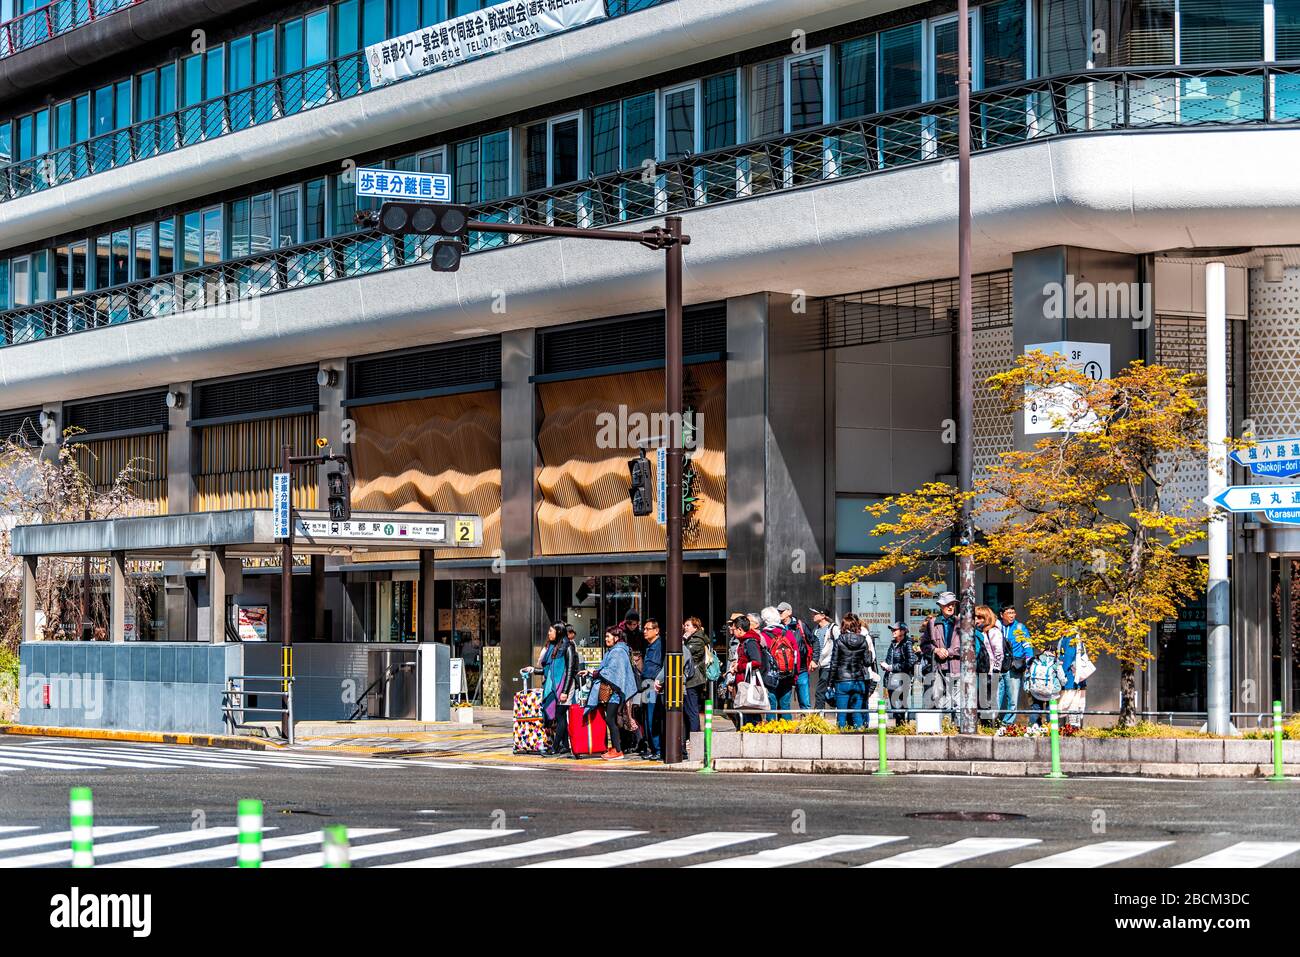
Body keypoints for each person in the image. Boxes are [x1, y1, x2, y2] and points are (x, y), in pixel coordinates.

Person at [584, 627, 640, 759]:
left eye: (608, 636)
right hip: (614, 691)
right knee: (615, 719)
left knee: (611, 719)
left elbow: (612, 672)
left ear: (616, 638)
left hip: (615, 692)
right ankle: (617, 747)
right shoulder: (616, 650)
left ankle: (618, 750)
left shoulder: (618, 652)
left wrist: (595, 673)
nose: (606, 639)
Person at [531, 621, 579, 756]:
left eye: (551, 631)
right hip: (554, 686)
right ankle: (565, 746)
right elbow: (549, 670)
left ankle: (556, 747)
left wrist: (564, 691)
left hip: (566, 686)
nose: (548, 633)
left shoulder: (568, 646)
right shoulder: (554, 647)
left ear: (558, 632)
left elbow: (570, 670)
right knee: (559, 716)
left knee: (559, 715)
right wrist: (533, 670)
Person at [919, 591, 961, 717]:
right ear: (941, 606)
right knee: (938, 697)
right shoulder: (932, 623)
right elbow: (924, 644)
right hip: (938, 667)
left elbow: (968, 647)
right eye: (947, 604)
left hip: (956, 666)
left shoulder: (960, 623)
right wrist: (936, 650)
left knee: (957, 700)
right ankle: (943, 727)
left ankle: (957, 729)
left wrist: (950, 652)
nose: (950, 607)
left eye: (953, 604)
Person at [828, 613, 873, 729]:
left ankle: (841, 739)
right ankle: (859, 737)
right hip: (858, 681)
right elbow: (868, 662)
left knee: (842, 714)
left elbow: (834, 663)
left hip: (842, 681)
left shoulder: (839, 641)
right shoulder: (863, 640)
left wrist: (830, 683)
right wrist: (869, 652)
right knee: (857, 713)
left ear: (844, 626)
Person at [759, 606, 798, 720]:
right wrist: (795, 675)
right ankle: (787, 730)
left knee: (771, 704)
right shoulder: (788, 633)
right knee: (785, 704)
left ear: (765, 621)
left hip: (770, 676)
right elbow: (796, 655)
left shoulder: (763, 635)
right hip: (788, 674)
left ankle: (772, 730)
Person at [778, 601, 817, 712]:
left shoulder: (800, 626)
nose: (779, 613)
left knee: (804, 701)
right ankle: (784, 726)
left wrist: (815, 659)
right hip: (784, 671)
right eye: (778, 611)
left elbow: (815, 641)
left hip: (801, 669)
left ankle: (807, 724)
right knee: (784, 702)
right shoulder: (777, 627)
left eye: (782, 611)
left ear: (789, 612)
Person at [732, 614, 768, 727]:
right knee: (747, 715)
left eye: (734, 629)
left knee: (750, 717)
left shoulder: (750, 642)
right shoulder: (744, 641)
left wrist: (739, 667)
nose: (732, 632)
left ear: (740, 629)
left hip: (748, 685)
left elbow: (757, 662)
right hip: (744, 683)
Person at [998, 605, 1033, 726]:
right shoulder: (997, 626)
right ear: (1002, 615)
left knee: (1012, 697)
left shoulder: (1020, 627)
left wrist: (1029, 665)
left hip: (1014, 666)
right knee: (998, 696)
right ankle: (996, 721)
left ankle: (1007, 724)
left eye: (1013, 612)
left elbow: (1028, 647)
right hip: (998, 666)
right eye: (1008, 613)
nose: (1012, 615)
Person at [879, 620, 917, 722]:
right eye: (892, 629)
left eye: (895, 629)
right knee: (895, 706)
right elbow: (889, 660)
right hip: (891, 679)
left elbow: (911, 662)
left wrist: (891, 667)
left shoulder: (907, 644)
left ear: (903, 631)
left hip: (902, 679)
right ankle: (899, 727)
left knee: (900, 705)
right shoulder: (893, 644)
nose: (893, 631)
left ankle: (902, 727)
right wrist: (885, 666)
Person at [974, 605, 1004, 722]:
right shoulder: (979, 632)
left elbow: (998, 653)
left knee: (988, 701)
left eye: (980, 617)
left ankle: (988, 726)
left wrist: (995, 671)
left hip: (991, 671)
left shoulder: (993, 631)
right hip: (981, 670)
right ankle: (982, 724)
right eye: (975, 617)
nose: (977, 620)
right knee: (980, 701)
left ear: (987, 618)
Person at [640, 618, 664, 759]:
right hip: (646, 684)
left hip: (653, 684)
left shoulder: (659, 645)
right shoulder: (649, 646)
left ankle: (658, 749)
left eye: (647, 629)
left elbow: (659, 667)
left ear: (656, 630)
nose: (645, 631)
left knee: (652, 717)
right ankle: (654, 749)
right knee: (647, 718)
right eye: (644, 628)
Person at [1025, 644, 1066, 726]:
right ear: (1054, 652)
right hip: (1051, 692)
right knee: (1050, 709)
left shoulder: (1035, 660)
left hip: (1036, 690)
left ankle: (1033, 727)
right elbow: (1062, 679)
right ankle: (1050, 728)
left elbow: (1027, 674)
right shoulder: (1055, 662)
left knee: (1036, 708)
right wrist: (1064, 684)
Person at [1057, 632, 1088, 728]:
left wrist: (1062, 674)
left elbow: (1067, 658)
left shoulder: (1069, 638)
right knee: (1076, 702)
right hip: (1078, 678)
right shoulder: (1078, 636)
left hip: (1070, 677)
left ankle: (1068, 727)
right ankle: (1073, 727)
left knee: (1067, 701)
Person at [811, 609, 839, 709]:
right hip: (822, 666)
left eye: (815, 613)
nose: (813, 615)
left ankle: (818, 718)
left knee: (820, 692)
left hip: (830, 665)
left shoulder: (833, 629)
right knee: (827, 692)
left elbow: (840, 646)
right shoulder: (816, 630)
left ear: (823, 616)